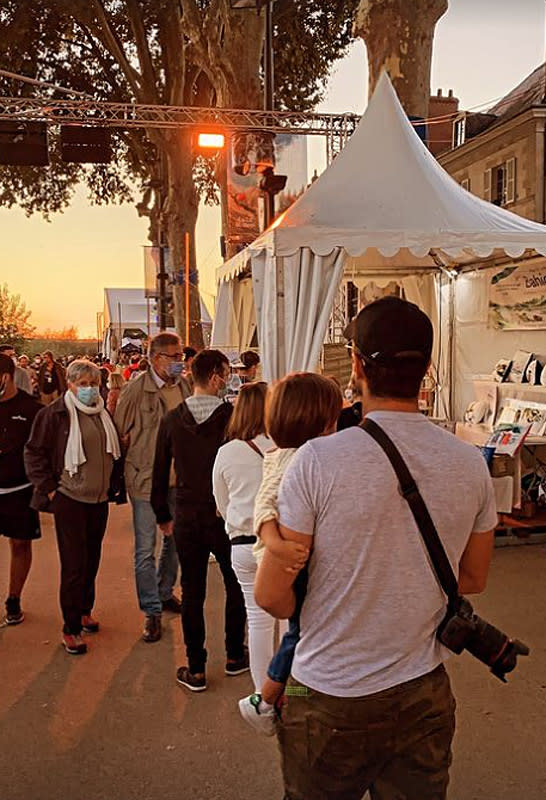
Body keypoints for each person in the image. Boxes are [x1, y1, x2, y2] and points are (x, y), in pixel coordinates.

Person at [254, 297, 498, 800]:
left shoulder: (316, 461)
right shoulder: (469, 463)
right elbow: (472, 578)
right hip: (422, 690)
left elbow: (273, 598)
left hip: (325, 692)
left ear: (358, 367)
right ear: (427, 370)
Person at [238, 373, 342, 735]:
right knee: (298, 633)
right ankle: (265, 700)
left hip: (290, 559)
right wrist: (277, 546)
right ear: (319, 419)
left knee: (298, 635)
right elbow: (263, 505)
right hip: (284, 562)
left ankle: (284, 695)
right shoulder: (291, 460)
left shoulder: (297, 456)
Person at [151, 349, 247, 692]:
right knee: (235, 583)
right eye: (227, 373)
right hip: (225, 513)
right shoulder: (232, 418)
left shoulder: (173, 418)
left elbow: (160, 470)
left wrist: (162, 513)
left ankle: (196, 667)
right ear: (217, 376)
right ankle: (236, 654)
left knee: (193, 591)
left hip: (187, 513)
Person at [25, 359, 122, 655]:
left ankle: (84, 609)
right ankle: (70, 628)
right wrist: (51, 491)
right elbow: (34, 453)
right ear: (70, 385)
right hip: (70, 499)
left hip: (98, 499)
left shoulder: (102, 414)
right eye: (83, 385)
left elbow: (113, 451)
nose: (90, 390)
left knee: (91, 557)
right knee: (73, 563)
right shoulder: (54, 415)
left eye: (94, 384)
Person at [114, 333, 191, 643]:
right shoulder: (136, 390)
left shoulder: (183, 386)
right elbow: (120, 432)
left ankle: (164, 591)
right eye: (174, 356)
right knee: (146, 548)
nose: (179, 362)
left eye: (181, 356)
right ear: (157, 358)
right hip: (145, 480)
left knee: (175, 542)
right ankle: (151, 611)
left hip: (179, 478)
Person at [212, 381, 275, 694]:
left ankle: (263, 695)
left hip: (241, 545)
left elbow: (221, 504)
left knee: (258, 621)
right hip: (277, 546)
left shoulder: (226, 452)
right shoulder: (282, 448)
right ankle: (290, 689)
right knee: (288, 622)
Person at [0, 354, 42, 625]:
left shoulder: (31, 409)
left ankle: (14, 599)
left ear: (6, 377)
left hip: (20, 490)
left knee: (20, 544)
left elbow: (42, 450)